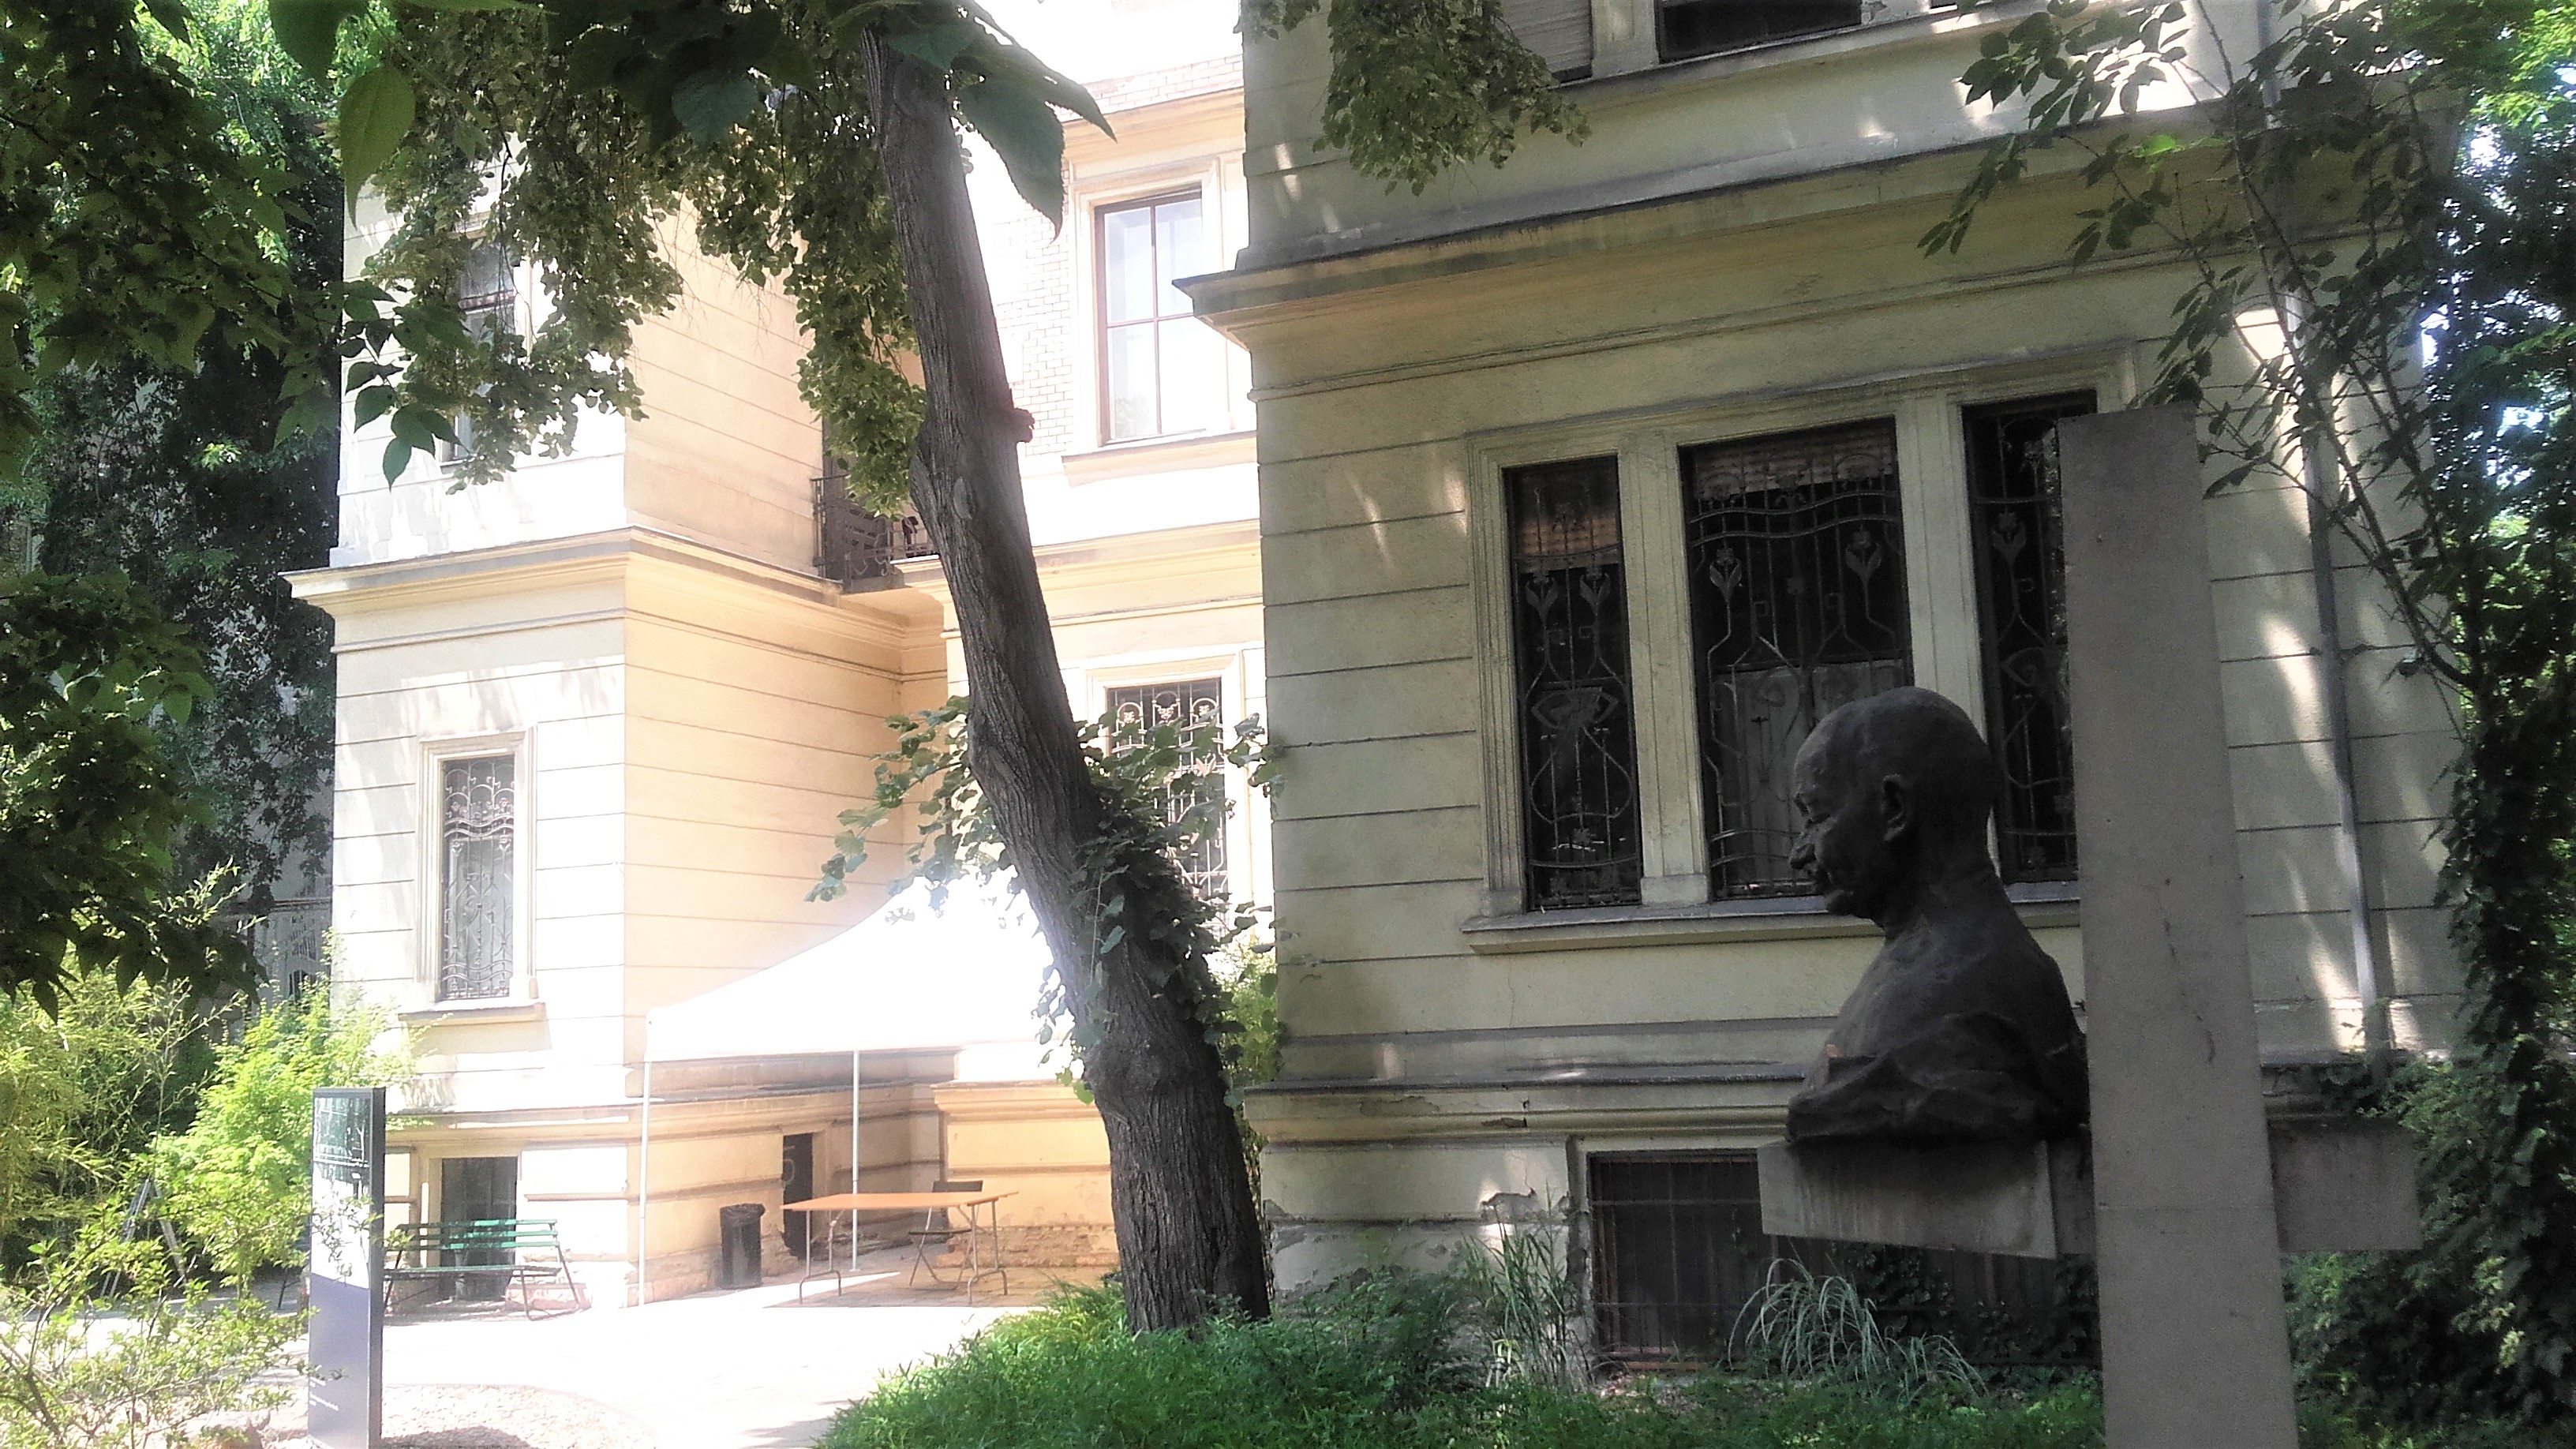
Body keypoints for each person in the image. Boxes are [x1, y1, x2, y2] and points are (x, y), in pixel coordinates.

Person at [1783, 687, 2088, 1143]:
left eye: (1816, 817)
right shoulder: (1919, 968)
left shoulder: (1973, 983)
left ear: (1895, 809)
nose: (1798, 854)